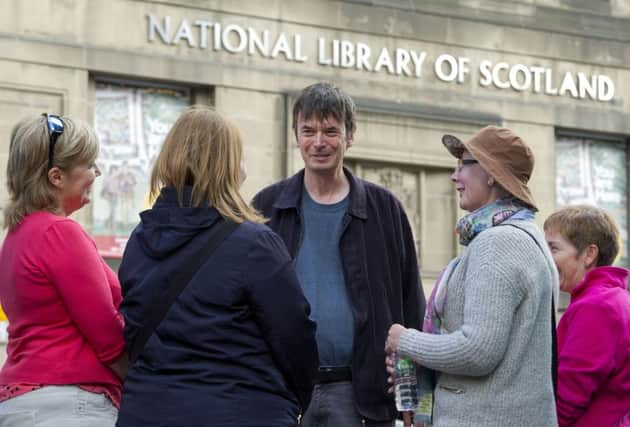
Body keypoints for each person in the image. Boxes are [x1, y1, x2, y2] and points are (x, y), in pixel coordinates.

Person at [116, 106, 318, 427]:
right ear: (225, 166)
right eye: (238, 158)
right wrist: (290, 401)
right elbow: (296, 338)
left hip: (147, 411)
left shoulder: (139, 241)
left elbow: (130, 328)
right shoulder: (254, 244)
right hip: (242, 409)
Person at [252, 82, 425, 426]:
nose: (319, 142)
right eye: (309, 130)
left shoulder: (384, 209)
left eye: (331, 131)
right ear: (295, 136)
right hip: (282, 390)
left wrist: (412, 387)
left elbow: (410, 303)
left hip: (360, 394)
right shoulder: (266, 208)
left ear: (350, 136)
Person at [385, 126, 559, 427]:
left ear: (491, 173)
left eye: (464, 164)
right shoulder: (526, 233)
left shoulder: (498, 242)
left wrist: (405, 340)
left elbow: (478, 351)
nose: (454, 176)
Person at [0, 114, 127, 426]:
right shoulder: (59, 232)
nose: (97, 173)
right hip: (70, 405)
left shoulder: (17, 235)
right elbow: (108, 339)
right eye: (89, 165)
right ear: (56, 177)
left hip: (23, 401)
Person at [544, 205, 630, 427]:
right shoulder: (611, 298)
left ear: (589, 254)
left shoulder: (596, 307)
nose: (545, 258)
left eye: (553, 248)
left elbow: (568, 399)